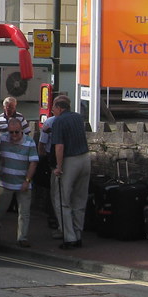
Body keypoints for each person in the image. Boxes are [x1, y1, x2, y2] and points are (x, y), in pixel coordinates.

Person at [50, 96, 91, 250]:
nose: (53, 111)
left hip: (70, 160)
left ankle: (69, 237)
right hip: (85, 159)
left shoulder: (58, 121)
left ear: (60, 108)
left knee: (62, 200)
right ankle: (78, 234)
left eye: (54, 108)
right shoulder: (78, 117)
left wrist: (58, 167)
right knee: (80, 199)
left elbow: (59, 147)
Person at [0, 118, 38, 247]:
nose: (13, 135)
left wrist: (27, 181)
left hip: (23, 182)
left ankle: (22, 238)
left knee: (24, 212)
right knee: (0, 210)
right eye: (11, 132)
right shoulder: (3, 138)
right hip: (5, 182)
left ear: (22, 130)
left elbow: (33, 162)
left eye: (16, 132)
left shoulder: (29, 142)